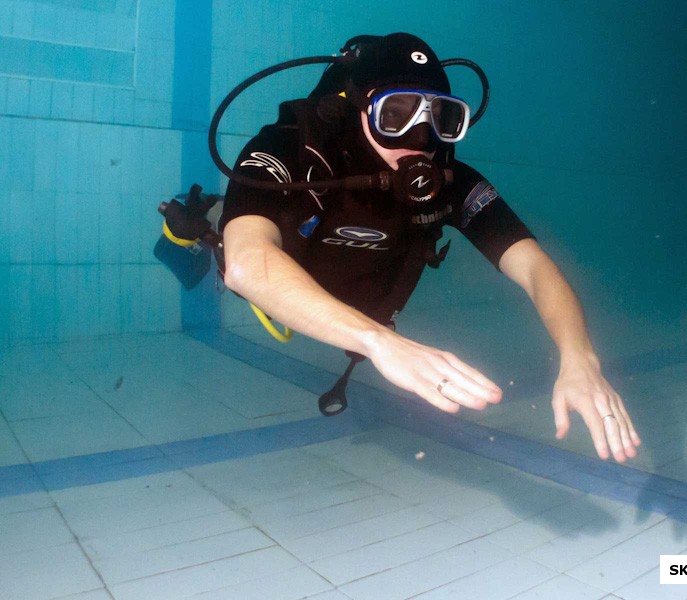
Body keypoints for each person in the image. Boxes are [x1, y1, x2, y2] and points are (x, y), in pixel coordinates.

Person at [219, 32, 641, 463]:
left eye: (440, 117)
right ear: (359, 105)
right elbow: (247, 264)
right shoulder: (295, 150)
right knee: (229, 242)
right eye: (395, 113)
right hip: (284, 282)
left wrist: (580, 357)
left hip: (364, 305)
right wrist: (378, 342)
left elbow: (534, 267)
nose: (420, 137)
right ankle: (192, 221)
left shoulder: (449, 183)